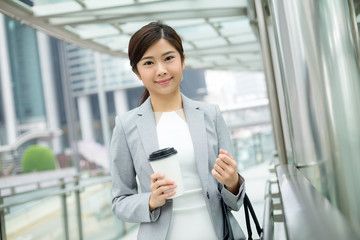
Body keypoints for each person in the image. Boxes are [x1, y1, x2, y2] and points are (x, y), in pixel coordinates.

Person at [110, 21, 246, 240]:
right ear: (137, 72)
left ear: (182, 60)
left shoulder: (210, 114)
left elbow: (236, 201)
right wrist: (151, 200)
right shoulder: (126, 126)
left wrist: (232, 182)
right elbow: (119, 203)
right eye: (148, 63)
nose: (161, 70)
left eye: (168, 58)